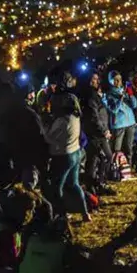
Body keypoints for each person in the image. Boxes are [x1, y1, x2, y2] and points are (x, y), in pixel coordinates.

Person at [45, 92, 91, 221]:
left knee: (57, 187)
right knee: (74, 184)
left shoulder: (62, 120)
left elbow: (49, 137)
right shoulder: (76, 117)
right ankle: (85, 213)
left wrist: (45, 126)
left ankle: (62, 214)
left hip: (63, 155)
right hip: (76, 152)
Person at [83, 72, 115, 194]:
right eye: (93, 79)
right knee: (106, 156)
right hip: (96, 134)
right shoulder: (91, 96)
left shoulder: (94, 95)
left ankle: (93, 184)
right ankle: (99, 184)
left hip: (96, 132)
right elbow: (94, 117)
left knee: (94, 158)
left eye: (97, 79)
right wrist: (104, 131)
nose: (96, 81)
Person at [104, 70, 137, 162]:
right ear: (111, 81)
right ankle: (115, 170)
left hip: (130, 123)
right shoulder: (108, 94)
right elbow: (113, 110)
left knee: (129, 149)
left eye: (120, 79)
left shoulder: (125, 91)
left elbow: (134, 105)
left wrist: (130, 94)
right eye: (115, 80)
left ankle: (128, 169)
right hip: (119, 125)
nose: (118, 82)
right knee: (116, 150)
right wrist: (121, 98)